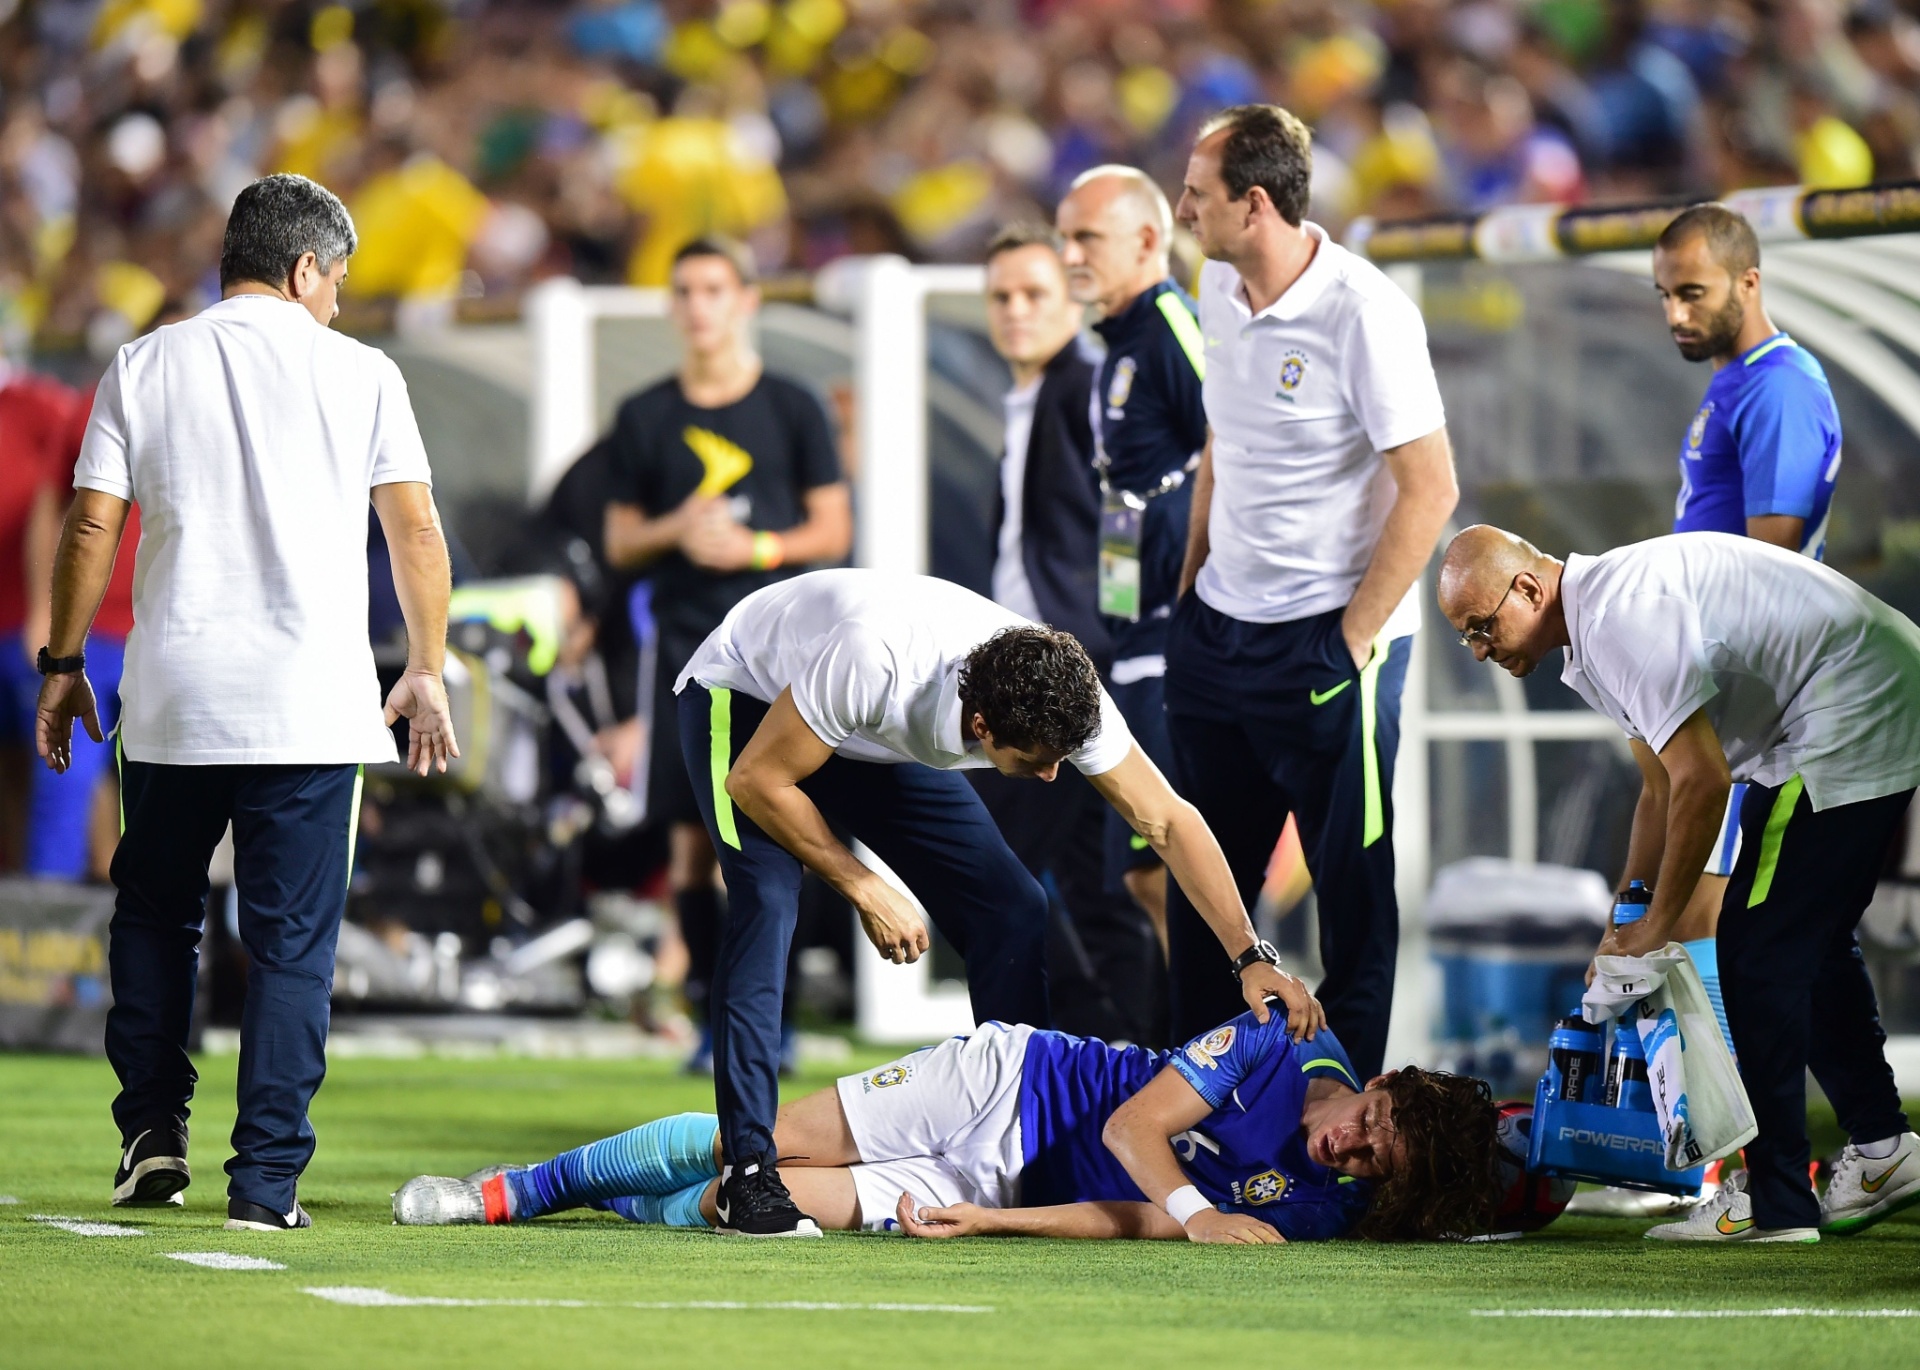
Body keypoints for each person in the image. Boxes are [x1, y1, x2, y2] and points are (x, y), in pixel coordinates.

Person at [36, 173, 460, 1231]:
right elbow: (414, 532)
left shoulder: (143, 362)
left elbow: (92, 526)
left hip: (175, 699)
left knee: (155, 914)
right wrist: (427, 664)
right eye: (338, 281)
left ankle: (150, 1131)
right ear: (305, 267)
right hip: (312, 706)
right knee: (291, 945)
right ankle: (265, 1185)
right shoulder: (363, 373)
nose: (338, 301)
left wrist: (61, 658)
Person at [673, 568, 1316, 1236]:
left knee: (1012, 906)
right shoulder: (875, 660)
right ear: (981, 724)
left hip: (863, 733)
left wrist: (1250, 955)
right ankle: (750, 1171)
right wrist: (864, 886)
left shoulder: (1069, 693)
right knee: (769, 902)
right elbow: (756, 781)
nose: (1051, 774)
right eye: (1037, 759)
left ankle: (1022, 1143)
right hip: (745, 696)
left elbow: (1170, 822)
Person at [1437, 524, 1920, 1243]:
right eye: (1466, 637)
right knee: (1797, 940)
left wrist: (1660, 925)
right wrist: (1624, 917)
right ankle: (1883, 1152)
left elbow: (1703, 780)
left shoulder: (1617, 621)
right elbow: (1659, 789)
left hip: (1849, 706)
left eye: (1482, 626)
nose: (1479, 649)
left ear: (1530, 588)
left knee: (1761, 951)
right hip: (1822, 716)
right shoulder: (1590, 630)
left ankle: (1779, 1201)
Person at [1165, 104, 1460, 1077]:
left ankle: (1345, 1122)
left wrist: (1351, 638)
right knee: (1204, 885)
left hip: (1326, 648)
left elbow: (1432, 488)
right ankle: (1194, 1116)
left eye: (1197, 194)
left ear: (1254, 204)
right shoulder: (1215, 281)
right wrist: (1191, 584)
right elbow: (1224, 441)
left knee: (1350, 892)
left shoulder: (1365, 312)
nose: (1183, 208)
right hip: (1219, 634)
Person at [392, 1008, 1502, 1244]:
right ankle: (519, 1189)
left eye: (1372, 1164)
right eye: (1371, 1122)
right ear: (1381, 1082)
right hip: (1009, 1086)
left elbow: (1136, 1217)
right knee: (765, 1143)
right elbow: (1134, 1136)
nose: (1348, 1148)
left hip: (1009, 1182)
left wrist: (991, 1220)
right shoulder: (1273, 1039)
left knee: (755, 1209)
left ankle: (621, 1195)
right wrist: (1201, 1211)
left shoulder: (1323, 1208)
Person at [601, 237, 853, 1071]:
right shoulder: (645, 414)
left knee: (773, 833)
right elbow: (620, 539)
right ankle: (717, 1021)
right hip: (686, 655)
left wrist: (755, 551)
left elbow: (832, 528)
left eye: (714, 288)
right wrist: (682, 528)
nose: (699, 305)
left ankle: (769, 1023)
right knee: (687, 846)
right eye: (684, 290)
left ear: (746, 300)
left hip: (781, 654)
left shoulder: (792, 405)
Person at [1651, 201, 1845, 1021]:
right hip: (1713, 676)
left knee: (1724, 914)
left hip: (1754, 693)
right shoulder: (1738, 381)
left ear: (1749, 281)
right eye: (1664, 295)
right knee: (1719, 909)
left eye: (1692, 293)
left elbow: (1771, 557)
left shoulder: (1783, 388)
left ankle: (1722, 1131)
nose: (1675, 314)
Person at [975, 222, 1151, 1045]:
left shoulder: (1081, 389)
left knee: (985, 867)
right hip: (1048, 672)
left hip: (1060, 676)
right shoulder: (1032, 395)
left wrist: (1095, 646)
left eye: (1034, 294)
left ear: (1072, 299)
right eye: (1001, 296)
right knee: (1096, 888)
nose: (1015, 311)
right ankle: (1129, 1061)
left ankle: (1026, 1056)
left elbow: (1123, 525)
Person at [1057, 164, 1209, 973]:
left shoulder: (1170, 325)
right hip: (1135, 628)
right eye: (1064, 237)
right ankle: (1225, 1043)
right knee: (1147, 869)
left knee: (1159, 857)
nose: (1069, 254)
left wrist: (1197, 591)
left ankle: (1256, 1045)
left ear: (1149, 240)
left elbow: (1235, 445)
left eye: (1086, 236)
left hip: (1175, 632)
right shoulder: (1112, 346)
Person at [0, 365, 90, 869]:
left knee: (51, 765)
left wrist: (46, 611)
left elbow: (58, 501)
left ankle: (63, 907)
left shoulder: (43, 404)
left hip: (19, 624)